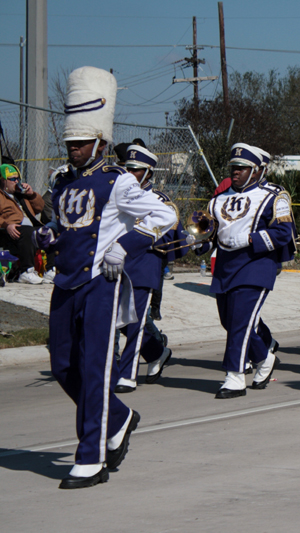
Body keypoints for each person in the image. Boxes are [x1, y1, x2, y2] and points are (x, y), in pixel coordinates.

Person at [34, 66, 178, 488]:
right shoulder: (62, 183)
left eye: (80, 143)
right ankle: (119, 416)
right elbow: (66, 228)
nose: (73, 149)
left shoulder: (118, 182)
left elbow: (166, 215)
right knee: (63, 366)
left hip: (102, 284)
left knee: (95, 368)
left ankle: (91, 457)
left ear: (99, 141)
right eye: (69, 143)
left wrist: (126, 246)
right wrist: (49, 236)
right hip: (65, 284)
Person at [192, 143, 294, 397]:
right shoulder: (218, 200)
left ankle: (235, 376)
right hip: (226, 266)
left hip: (256, 265)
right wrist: (198, 242)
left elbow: (284, 232)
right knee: (229, 321)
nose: (235, 172)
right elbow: (212, 234)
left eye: (242, 168)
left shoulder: (274, 195)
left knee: (240, 322)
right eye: (233, 167)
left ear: (258, 170)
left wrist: (250, 240)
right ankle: (263, 358)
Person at [114, 145, 180, 393]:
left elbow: (171, 236)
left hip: (143, 265)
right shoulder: (116, 194)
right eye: (127, 168)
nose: (129, 174)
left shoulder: (160, 201)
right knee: (119, 322)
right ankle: (156, 353)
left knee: (135, 323)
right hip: (115, 264)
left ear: (148, 173)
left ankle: (127, 376)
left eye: (136, 170)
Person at [0, 163, 45, 284]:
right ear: (3, 181)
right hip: (10, 230)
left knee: (50, 232)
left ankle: (50, 270)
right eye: (12, 179)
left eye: (17, 178)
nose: (16, 181)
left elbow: (40, 208)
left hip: (29, 227)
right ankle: (27, 271)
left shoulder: (21, 195)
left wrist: (31, 194)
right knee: (27, 232)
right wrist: (6, 225)